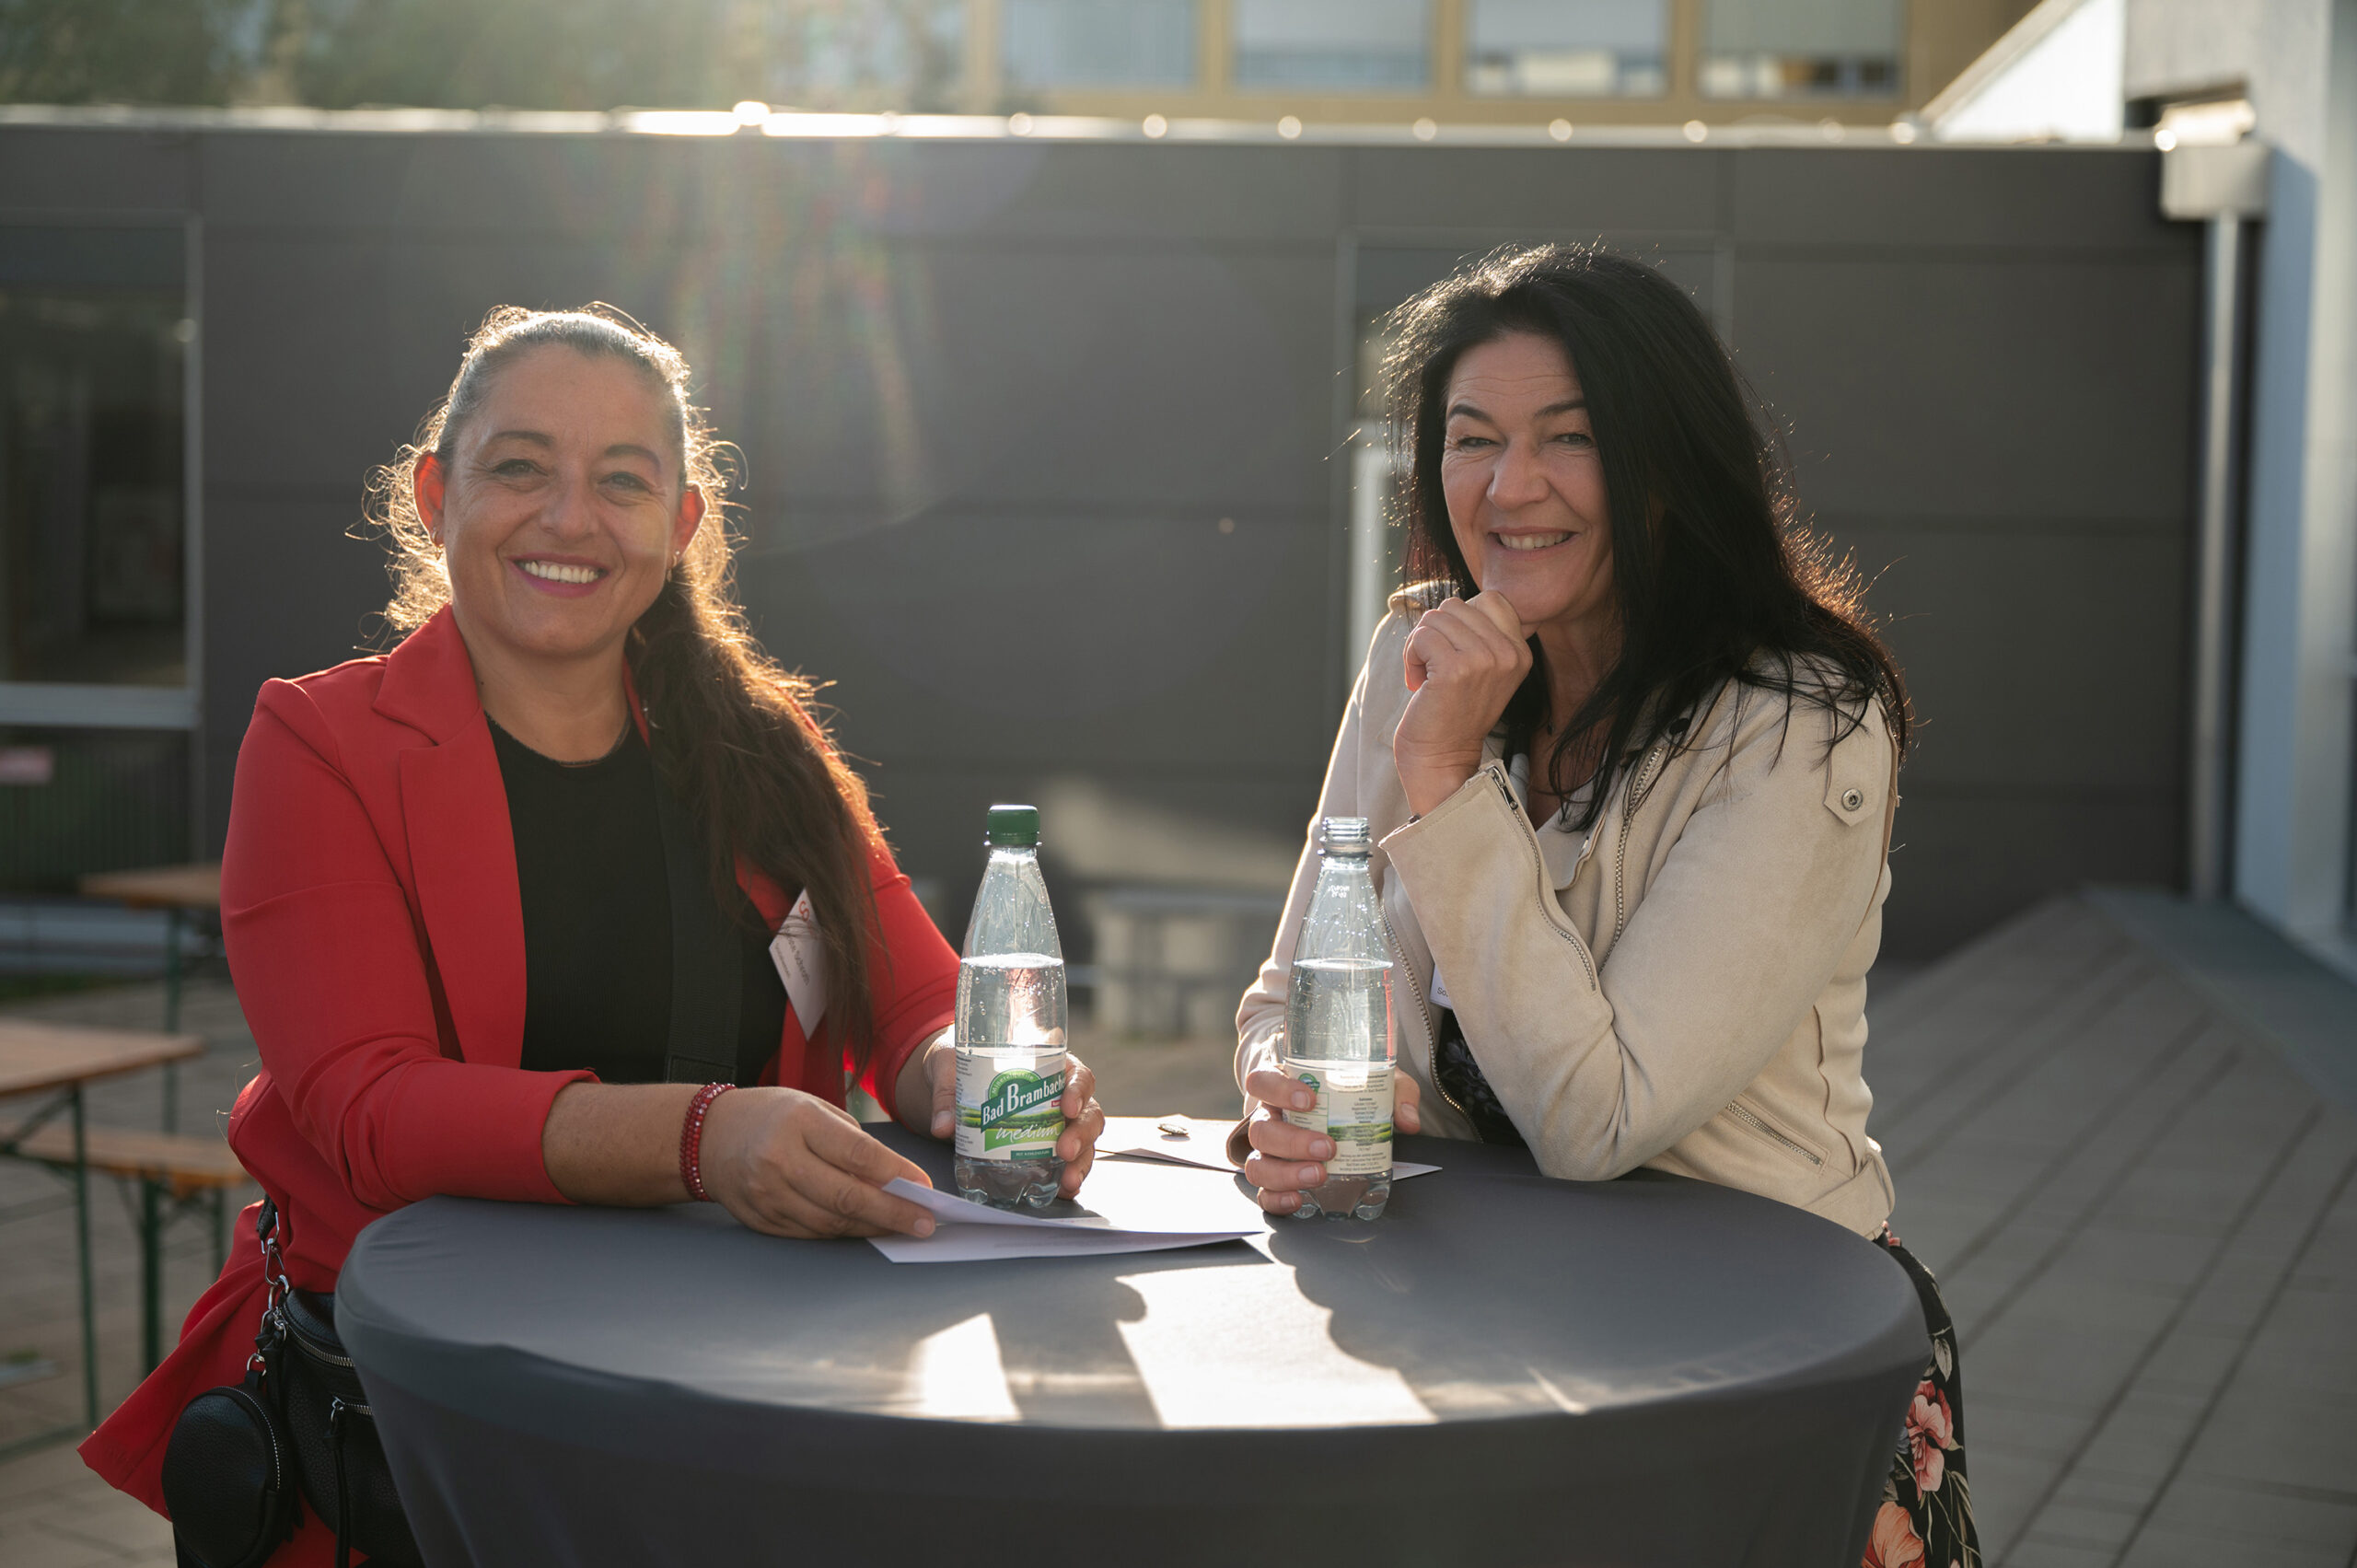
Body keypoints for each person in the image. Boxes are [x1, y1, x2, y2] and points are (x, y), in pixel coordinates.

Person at [82, 305, 1105, 1559]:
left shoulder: (765, 748)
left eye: (622, 483)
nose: (570, 519)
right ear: (432, 494)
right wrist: (701, 1136)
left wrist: (979, 1082)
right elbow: (370, 1108)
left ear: (677, 530)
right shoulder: (321, 744)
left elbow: (912, 1008)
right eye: (521, 469)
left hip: (739, 1397)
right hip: (433, 1415)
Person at [1232, 247, 1978, 1565]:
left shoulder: (1799, 723)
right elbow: (1297, 992)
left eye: (1567, 441)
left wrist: (1446, 778)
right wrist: (1290, 1097)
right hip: (1479, 1319)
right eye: (1472, 442)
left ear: (1664, 465)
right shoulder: (1413, 649)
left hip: (1756, 1354)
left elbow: (1599, 1119)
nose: (1511, 488)